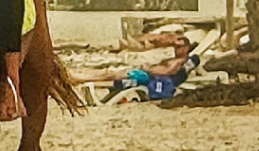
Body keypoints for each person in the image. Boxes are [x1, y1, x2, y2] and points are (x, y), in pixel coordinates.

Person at [72, 34, 200, 102]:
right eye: (175, 47)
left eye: (179, 47)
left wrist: (148, 70)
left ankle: (85, 81)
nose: (176, 50)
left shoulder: (180, 62)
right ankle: (85, 80)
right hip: (147, 75)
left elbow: (168, 72)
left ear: (187, 48)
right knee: (112, 74)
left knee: (114, 76)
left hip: (148, 78)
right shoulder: (172, 60)